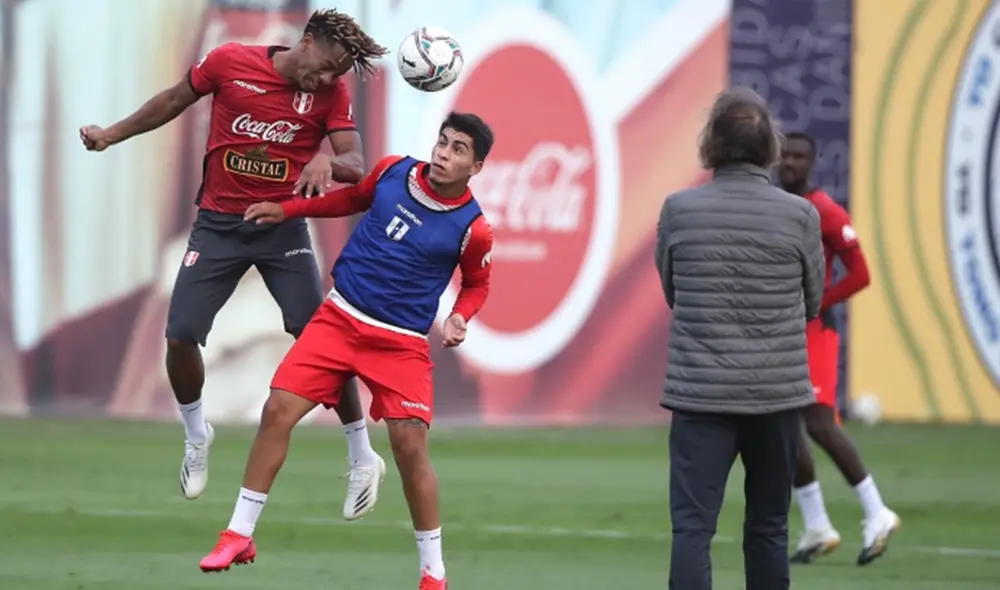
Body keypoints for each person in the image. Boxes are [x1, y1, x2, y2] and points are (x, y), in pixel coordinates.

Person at [78, 9, 390, 519]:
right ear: (306, 41)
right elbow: (173, 100)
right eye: (325, 66)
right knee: (181, 334)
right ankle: (196, 434)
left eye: (336, 73)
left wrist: (327, 161)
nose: (327, 79)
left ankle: (361, 455)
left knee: (317, 339)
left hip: (281, 226)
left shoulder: (331, 95)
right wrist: (111, 134)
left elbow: (355, 164)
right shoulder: (230, 63)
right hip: (219, 225)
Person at [198, 112, 495, 589]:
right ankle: (239, 533)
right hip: (339, 319)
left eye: (458, 149)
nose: (444, 153)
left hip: (399, 343)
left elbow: (477, 284)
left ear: (475, 167)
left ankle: (433, 574)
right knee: (277, 410)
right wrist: (288, 210)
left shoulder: (473, 228)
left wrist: (461, 315)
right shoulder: (394, 170)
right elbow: (352, 199)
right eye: (443, 142)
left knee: (410, 449)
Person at [655, 86, 825, 590]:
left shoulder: (678, 209)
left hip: (700, 395)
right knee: (770, 528)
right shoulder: (800, 214)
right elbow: (813, 301)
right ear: (770, 145)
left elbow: (673, 291)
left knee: (692, 529)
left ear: (711, 141)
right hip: (776, 395)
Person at [779, 131, 901, 566]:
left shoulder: (825, 210)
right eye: (785, 155)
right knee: (780, 427)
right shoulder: (775, 206)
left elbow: (860, 273)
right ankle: (817, 526)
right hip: (781, 332)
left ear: (811, 163)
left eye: (798, 157)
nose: (790, 163)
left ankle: (877, 512)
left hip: (815, 332)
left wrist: (818, 303)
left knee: (818, 422)